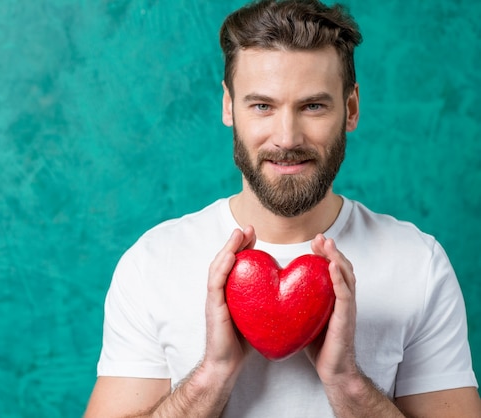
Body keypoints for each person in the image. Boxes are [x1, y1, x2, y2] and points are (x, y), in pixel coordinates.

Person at [84, 0, 481, 416]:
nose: (287, 137)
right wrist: (212, 375)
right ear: (228, 107)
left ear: (350, 108)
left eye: (313, 106)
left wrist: (347, 382)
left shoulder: (418, 263)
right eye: (262, 106)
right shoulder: (153, 262)